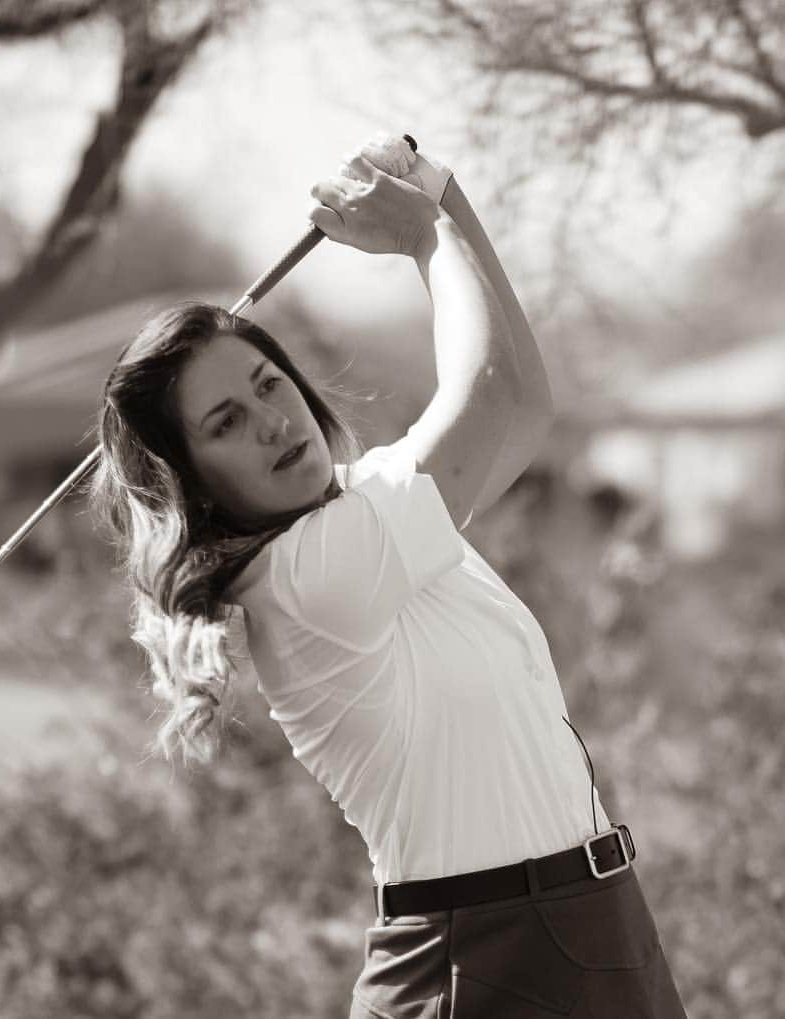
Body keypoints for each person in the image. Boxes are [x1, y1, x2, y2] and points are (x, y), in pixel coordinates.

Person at [89, 136, 688, 1017]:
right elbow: (490, 396)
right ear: (194, 482)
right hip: (486, 956)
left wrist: (443, 196)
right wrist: (422, 238)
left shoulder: (367, 504)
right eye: (224, 421)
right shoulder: (305, 576)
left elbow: (521, 404)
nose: (270, 419)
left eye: (266, 383)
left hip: (590, 926)